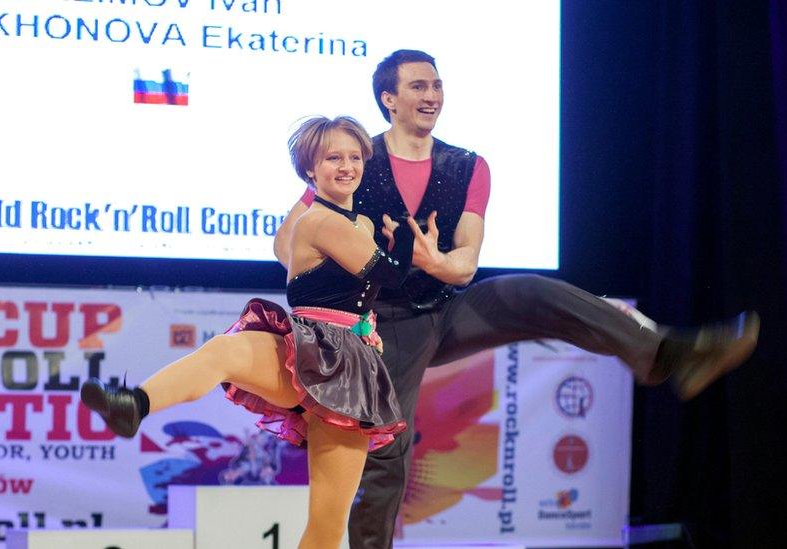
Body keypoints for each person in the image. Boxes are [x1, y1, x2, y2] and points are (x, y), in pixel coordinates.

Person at [272, 49, 761, 549]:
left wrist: (433, 262)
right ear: (388, 99)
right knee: (386, 449)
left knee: (531, 292)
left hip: (447, 308)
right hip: (385, 324)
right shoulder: (355, 160)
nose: (433, 96)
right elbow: (284, 244)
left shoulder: (467, 166)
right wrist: (342, 248)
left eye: (437, 85)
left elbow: (466, 261)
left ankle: (666, 356)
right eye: (419, 86)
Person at [81, 115, 416, 549]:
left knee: (327, 527)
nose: (347, 166)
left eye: (354, 157)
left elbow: (360, 294)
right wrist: (408, 239)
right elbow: (392, 275)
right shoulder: (321, 222)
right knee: (225, 351)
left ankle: (135, 404)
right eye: (333, 157)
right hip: (312, 346)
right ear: (310, 171)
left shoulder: (360, 225)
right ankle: (132, 404)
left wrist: (366, 324)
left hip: (347, 365)